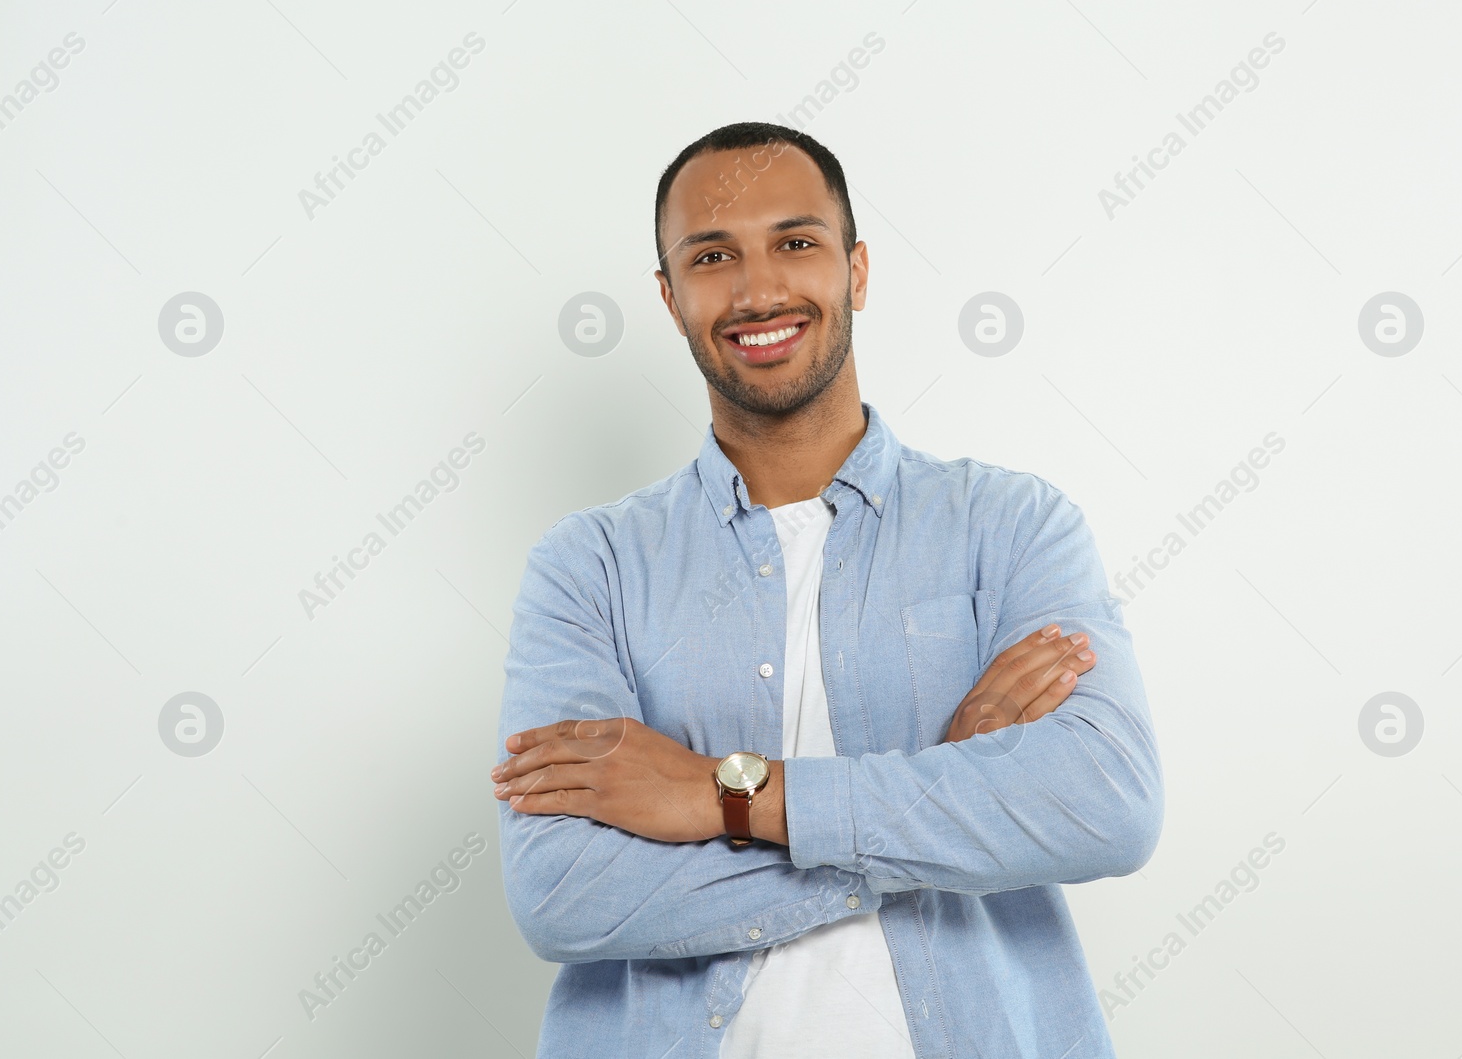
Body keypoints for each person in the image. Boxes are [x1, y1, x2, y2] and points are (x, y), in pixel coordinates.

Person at [490, 121, 1164, 1058]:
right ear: (670, 296)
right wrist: (942, 795)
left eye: (796, 243)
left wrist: (728, 796)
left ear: (855, 270)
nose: (759, 288)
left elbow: (1104, 805)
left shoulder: (1011, 525)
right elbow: (564, 894)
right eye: (713, 255)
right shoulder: (588, 565)